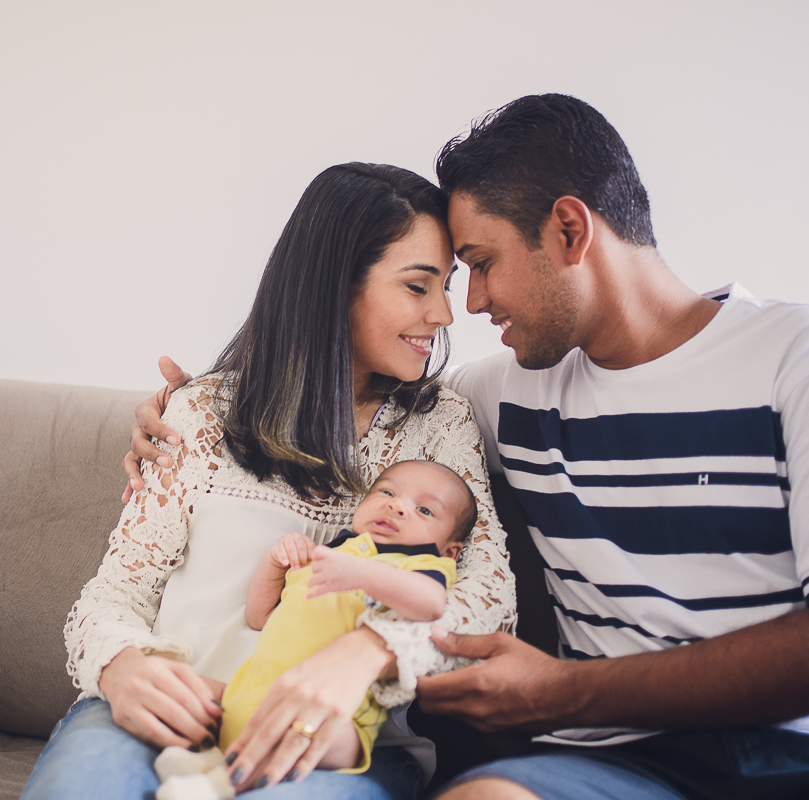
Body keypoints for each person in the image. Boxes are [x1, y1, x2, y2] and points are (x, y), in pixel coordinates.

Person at [125, 95, 809, 800]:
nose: (470, 305)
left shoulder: (791, 357)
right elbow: (358, 387)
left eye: (480, 264)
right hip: (605, 768)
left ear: (570, 230)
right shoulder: (502, 395)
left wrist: (566, 691)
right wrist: (184, 410)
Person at [20, 163, 516, 800]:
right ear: (333, 286)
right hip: (169, 706)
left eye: (444, 285)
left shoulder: (439, 426)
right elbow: (117, 592)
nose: (445, 313)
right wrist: (121, 666)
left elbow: (491, 597)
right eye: (418, 286)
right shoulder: (198, 412)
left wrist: (366, 650)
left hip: (338, 740)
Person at [221, 460, 476, 773]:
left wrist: (365, 574)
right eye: (386, 492)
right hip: (252, 690)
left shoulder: (422, 565)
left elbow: (431, 604)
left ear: (450, 550)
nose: (396, 506)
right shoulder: (331, 554)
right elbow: (259, 617)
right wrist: (275, 563)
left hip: (336, 718)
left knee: (298, 748)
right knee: (187, 690)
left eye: (424, 510)